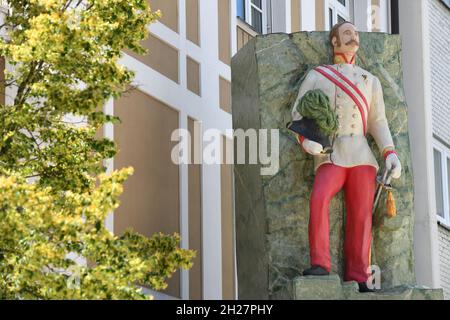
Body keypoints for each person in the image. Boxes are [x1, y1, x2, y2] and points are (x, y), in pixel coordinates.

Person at [291, 21, 402, 293]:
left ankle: (359, 274)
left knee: (362, 214)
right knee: (318, 199)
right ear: (334, 41)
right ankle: (320, 263)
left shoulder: (370, 80)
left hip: (362, 155)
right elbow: (298, 114)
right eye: (348, 34)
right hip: (331, 152)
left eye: (355, 34)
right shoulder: (318, 75)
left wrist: (390, 153)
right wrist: (307, 141)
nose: (354, 38)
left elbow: (378, 121)